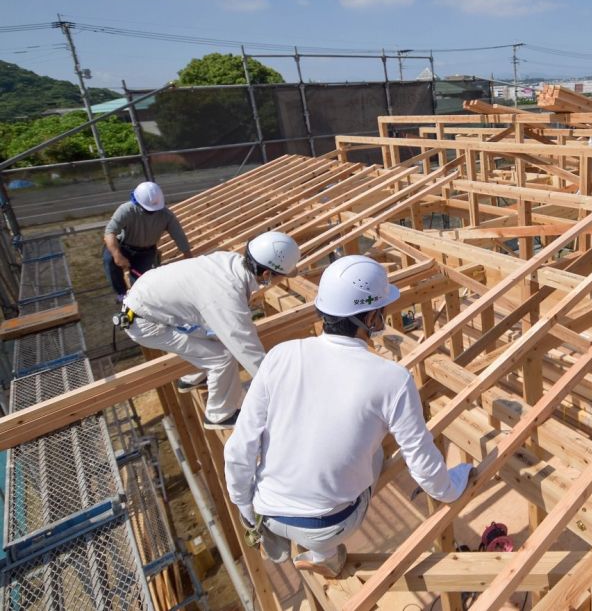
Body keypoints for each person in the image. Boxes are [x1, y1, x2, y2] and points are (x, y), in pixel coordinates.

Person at [223, 255, 473, 577]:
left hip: (266, 508)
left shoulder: (281, 355)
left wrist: (246, 509)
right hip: (329, 524)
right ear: (371, 317)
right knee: (375, 456)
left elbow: (239, 448)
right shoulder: (392, 379)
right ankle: (323, 554)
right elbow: (424, 468)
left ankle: (276, 535)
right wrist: (454, 484)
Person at [121, 231, 300, 429]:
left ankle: (192, 378)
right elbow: (248, 351)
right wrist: (283, 391)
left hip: (151, 302)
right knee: (222, 358)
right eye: (280, 277)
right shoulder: (225, 295)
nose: (280, 281)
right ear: (266, 274)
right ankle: (220, 414)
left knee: (215, 337)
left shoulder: (231, 261)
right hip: (145, 323)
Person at [104, 181, 193, 302]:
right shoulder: (127, 210)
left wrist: (189, 258)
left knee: (141, 284)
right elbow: (110, 232)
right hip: (123, 247)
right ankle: (121, 294)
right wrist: (117, 255)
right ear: (137, 202)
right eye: (147, 210)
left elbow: (179, 235)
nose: (151, 212)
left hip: (146, 253)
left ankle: (138, 302)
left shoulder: (165, 215)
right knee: (110, 260)